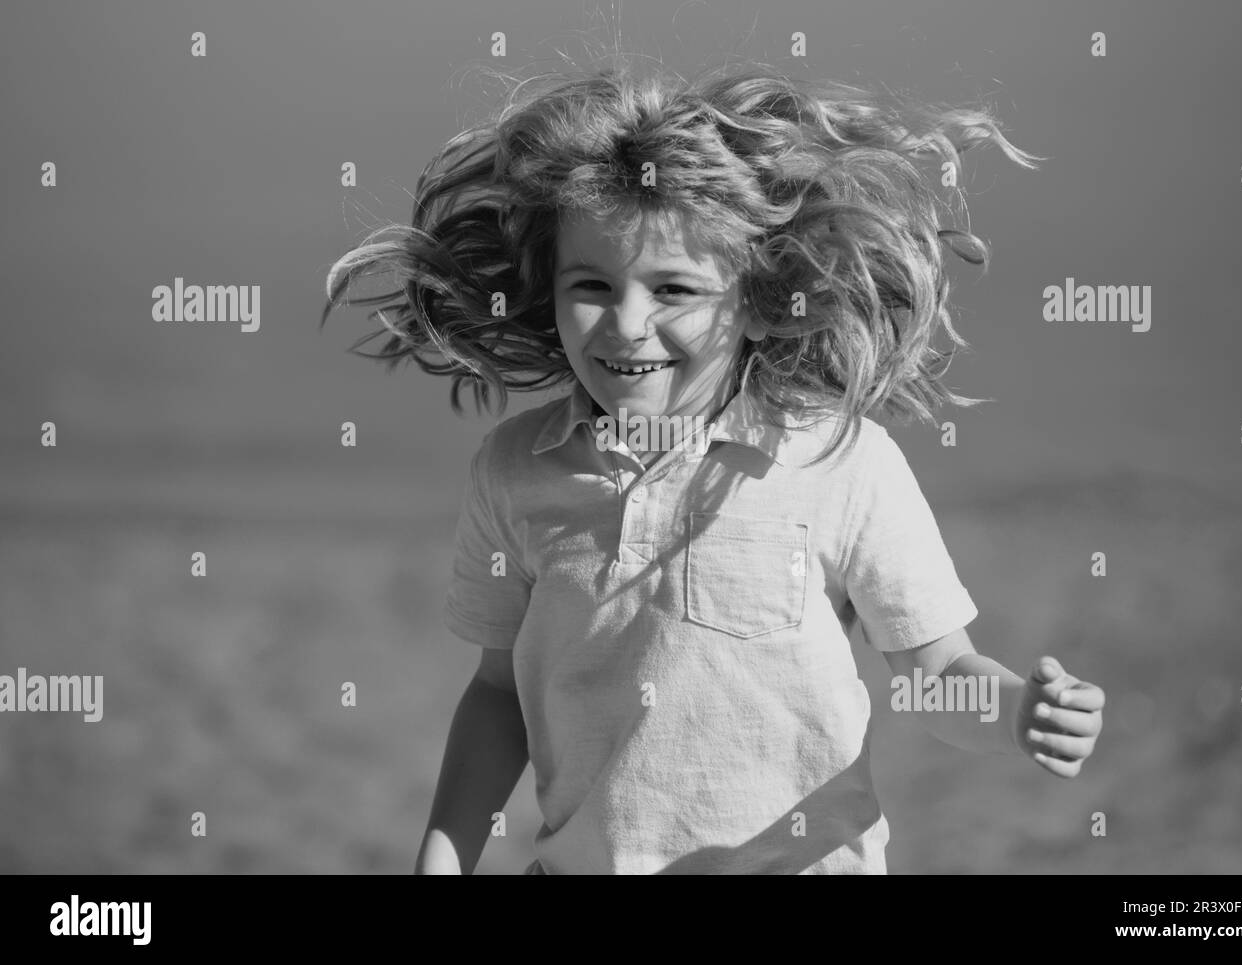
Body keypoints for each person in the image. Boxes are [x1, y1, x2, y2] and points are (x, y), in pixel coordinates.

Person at [321, 56, 1105, 874]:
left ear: (762, 304)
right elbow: (497, 695)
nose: (626, 324)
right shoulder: (514, 472)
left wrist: (1020, 711)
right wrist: (443, 859)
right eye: (592, 283)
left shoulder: (842, 461)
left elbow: (937, 671)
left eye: (672, 290)